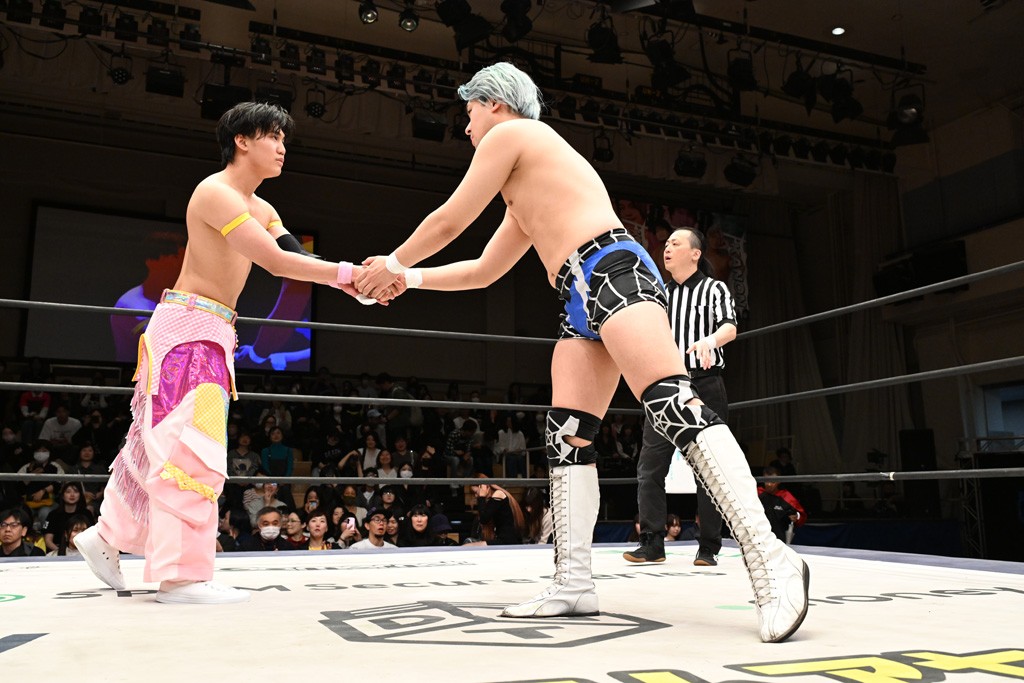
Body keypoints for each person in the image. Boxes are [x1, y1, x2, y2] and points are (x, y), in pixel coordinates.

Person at [353, 62, 807, 642]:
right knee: (566, 434)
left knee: (674, 405)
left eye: (469, 112)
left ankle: (771, 557)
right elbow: (484, 270)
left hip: (610, 267)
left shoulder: (515, 134)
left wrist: (392, 263)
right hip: (577, 292)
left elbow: (450, 220)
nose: (466, 127)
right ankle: (573, 582)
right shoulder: (524, 187)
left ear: (495, 104)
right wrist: (407, 281)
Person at [75, 101, 392, 606]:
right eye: (273, 137)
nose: (282, 148)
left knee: (159, 444)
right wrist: (353, 275)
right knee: (189, 449)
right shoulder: (215, 193)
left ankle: (105, 537)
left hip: (209, 331)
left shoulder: (262, 208)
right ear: (242, 140)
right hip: (190, 332)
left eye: (284, 139)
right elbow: (274, 262)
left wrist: (353, 286)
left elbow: (296, 257)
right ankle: (181, 578)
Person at [625, 227, 735, 568]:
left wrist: (709, 341)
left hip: (705, 384)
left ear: (695, 253)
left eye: (676, 243)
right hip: (665, 385)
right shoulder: (659, 294)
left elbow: (729, 327)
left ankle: (708, 547)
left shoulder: (714, 288)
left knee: (709, 468)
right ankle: (652, 543)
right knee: (650, 467)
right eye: (667, 243)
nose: (667, 248)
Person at [470, 475, 525, 545]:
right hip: (502, 539)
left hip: (507, 540)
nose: (476, 495)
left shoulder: (498, 493)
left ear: (485, 487)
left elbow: (484, 519)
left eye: (476, 492)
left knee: (468, 546)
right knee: (468, 545)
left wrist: (481, 497)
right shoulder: (491, 500)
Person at [758, 466, 807, 544]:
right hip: (758, 540)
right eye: (766, 481)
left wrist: (796, 517)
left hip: (780, 541)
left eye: (773, 482)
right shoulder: (756, 493)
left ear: (779, 481)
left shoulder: (787, 497)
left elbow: (802, 517)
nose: (769, 484)